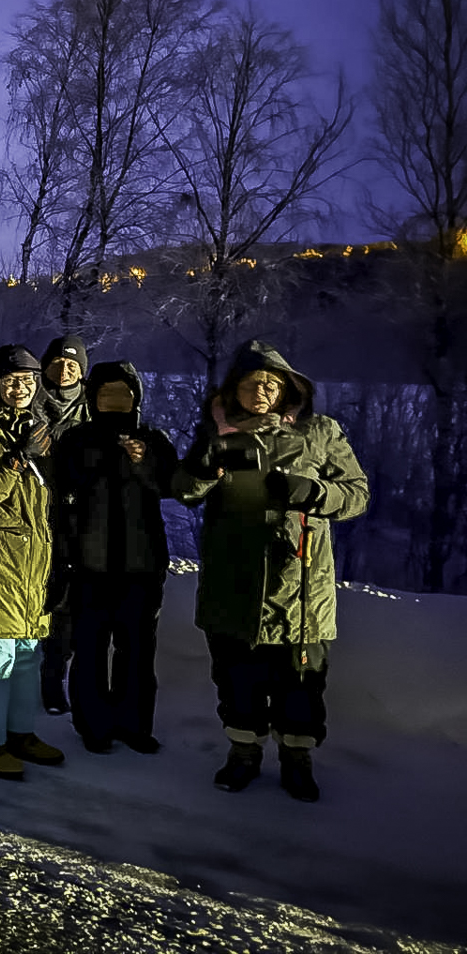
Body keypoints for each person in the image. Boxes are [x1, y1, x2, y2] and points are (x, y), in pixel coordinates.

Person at [174, 340, 369, 802]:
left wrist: (313, 492)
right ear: (234, 389)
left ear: (288, 390)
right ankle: (243, 752)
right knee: (236, 680)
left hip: (300, 587)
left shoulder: (319, 431)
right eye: (250, 384)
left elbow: (357, 494)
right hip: (232, 584)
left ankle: (297, 759)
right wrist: (207, 469)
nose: (260, 392)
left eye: (270, 384)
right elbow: (183, 490)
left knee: (301, 685)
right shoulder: (218, 431)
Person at [53, 361, 178, 755]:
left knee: (137, 652)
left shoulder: (153, 439)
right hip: (89, 565)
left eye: (122, 393)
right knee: (89, 649)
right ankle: (94, 726)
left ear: (135, 398)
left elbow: (173, 487)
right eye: (106, 393)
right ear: (93, 398)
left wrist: (143, 463)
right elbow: (60, 491)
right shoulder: (76, 439)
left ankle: (134, 725)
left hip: (142, 567)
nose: (114, 400)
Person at [0, 344, 65, 782]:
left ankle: (21, 733)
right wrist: (17, 460)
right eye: (9, 380)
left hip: (35, 563)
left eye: (26, 380)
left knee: (27, 656)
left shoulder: (45, 428)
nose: (19, 388)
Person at [39, 333, 93, 715]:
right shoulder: (30, 399)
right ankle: (42, 673)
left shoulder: (93, 405)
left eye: (72, 364)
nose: (64, 369)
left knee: (71, 602)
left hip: (81, 518)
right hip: (38, 515)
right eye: (57, 362)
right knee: (45, 598)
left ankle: (62, 675)